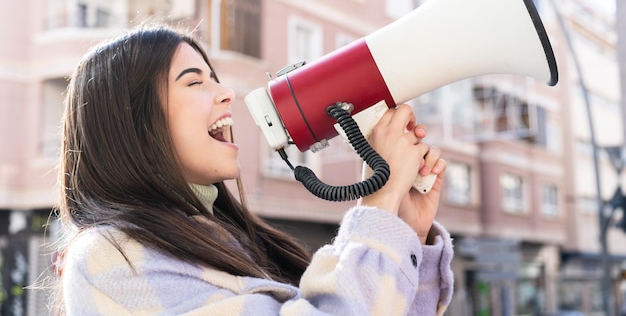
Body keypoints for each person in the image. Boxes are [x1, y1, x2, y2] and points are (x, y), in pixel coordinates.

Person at [55, 25, 454, 315]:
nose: (226, 93)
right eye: (194, 83)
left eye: (214, 78)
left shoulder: (227, 241)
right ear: (132, 121)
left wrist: (406, 231)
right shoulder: (110, 258)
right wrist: (381, 201)